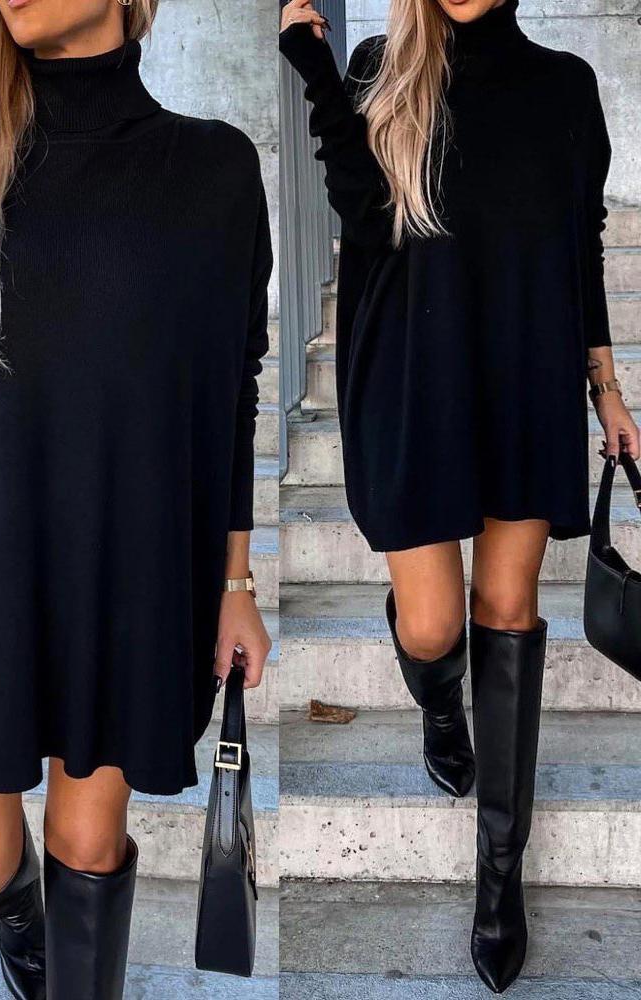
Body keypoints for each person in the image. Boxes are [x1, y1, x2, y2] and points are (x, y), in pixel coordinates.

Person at [0, 1, 272, 997]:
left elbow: (232, 386)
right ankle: (22, 913)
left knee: (89, 839)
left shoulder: (212, 167)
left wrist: (235, 580)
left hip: (129, 561)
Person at [279, 0, 639, 992]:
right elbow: (364, 215)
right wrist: (316, 75)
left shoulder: (564, 86)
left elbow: (580, 240)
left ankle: (496, 879)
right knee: (434, 625)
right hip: (409, 375)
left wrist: (605, 386)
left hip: (526, 372)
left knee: (507, 608)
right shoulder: (377, 70)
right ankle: (442, 706)